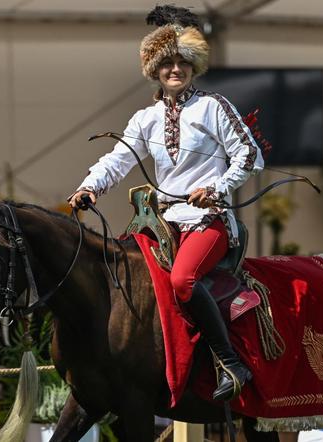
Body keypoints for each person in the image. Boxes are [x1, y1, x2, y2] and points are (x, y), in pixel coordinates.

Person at [68, 5, 264, 402]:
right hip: (162, 222)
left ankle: (231, 362)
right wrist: (90, 186)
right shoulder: (145, 118)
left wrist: (217, 188)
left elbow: (250, 156)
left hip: (208, 220)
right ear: (154, 70)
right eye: (166, 64)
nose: (175, 70)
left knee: (182, 281)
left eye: (182, 62)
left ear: (193, 66)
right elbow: (118, 159)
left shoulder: (214, 107)